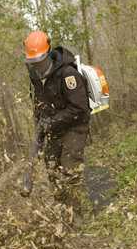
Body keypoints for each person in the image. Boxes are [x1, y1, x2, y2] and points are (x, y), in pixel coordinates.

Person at [24, 30, 91, 222]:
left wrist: (51, 122)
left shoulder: (68, 74)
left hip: (75, 126)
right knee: (52, 167)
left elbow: (80, 109)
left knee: (70, 167)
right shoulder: (35, 77)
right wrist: (39, 132)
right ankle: (63, 213)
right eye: (33, 63)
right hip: (54, 128)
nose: (37, 66)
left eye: (40, 62)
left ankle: (76, 216)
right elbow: (39, 105)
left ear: (48, 54)